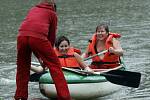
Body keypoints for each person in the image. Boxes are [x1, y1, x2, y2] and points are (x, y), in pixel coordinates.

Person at [14, 0, 71, 100]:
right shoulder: (52, 14)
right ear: (53, 5)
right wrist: (46, 58)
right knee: (55, 66)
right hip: (38, 38)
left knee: (22, 67)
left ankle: (20, 96)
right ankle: (65, 97)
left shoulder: (33, 9)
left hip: (21, 36)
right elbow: (51, 37)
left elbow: (31, 36)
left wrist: (41, 57)